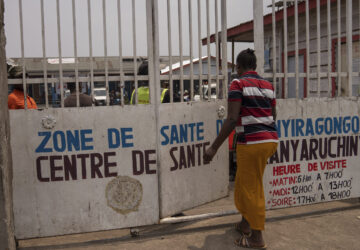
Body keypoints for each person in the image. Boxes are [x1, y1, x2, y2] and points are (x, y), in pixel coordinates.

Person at [203, 48, 278, 249]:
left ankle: (256, 238)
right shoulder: (268, 85)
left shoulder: (239, 83)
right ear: (254, 66)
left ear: (238, 67)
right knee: (248, 184)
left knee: (251, 189)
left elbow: (232, 118)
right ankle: (246, 224)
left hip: (252, 143)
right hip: (269, 140)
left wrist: (213, 148)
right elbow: (273, 115)